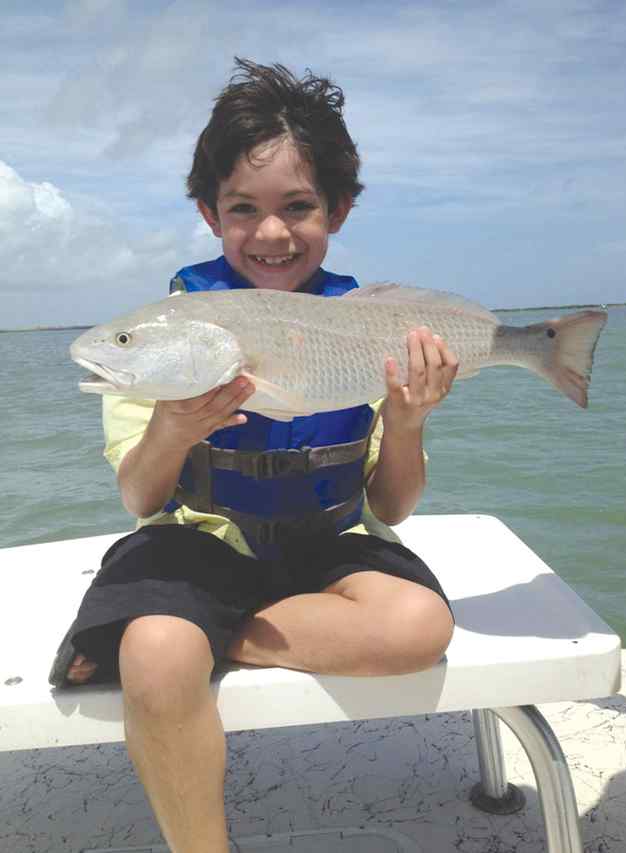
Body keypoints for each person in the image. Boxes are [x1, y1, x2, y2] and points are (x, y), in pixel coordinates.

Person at [51, 59, 458, 853]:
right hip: (201, 537)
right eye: (243, 208)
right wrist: (172, 428)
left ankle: (220, 630)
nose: (272, 233)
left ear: (337, 210)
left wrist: (406, 421)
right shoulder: (175, 333)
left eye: (298, 207)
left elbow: (394, 506)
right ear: (210, 214)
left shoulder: (362, 329)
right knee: (158, 650)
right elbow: (141, 499)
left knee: (419, 623)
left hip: (326, 538)